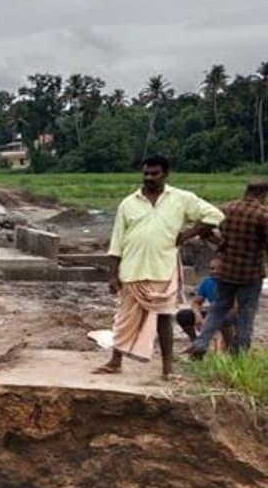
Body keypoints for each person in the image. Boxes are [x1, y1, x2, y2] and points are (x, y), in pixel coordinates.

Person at [94, 154, 224, 379]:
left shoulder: (181, 199)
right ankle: (115, 361)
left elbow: (215, 215)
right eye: (145, 173)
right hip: (132, 271)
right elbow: (116, 243)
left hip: (163, 270)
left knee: (164, 319)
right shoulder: (128, 203)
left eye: (154, 173)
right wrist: (113, 275)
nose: (149, 177)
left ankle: (167, 369)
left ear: (165, 174)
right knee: (123, 319)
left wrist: (186, 235)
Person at [189, 179, 268, 358]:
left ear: (246, 191)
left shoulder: (226, 209)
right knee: (246, 316)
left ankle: (200, 345)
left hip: (226, 270)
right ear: (263, 195)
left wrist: (221, 244)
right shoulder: (263, 215)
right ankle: (238, 355)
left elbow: (204, 229)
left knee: (217, 308)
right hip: (251, 273)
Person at [176, 274, 232, 352]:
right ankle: (197, 344)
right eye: (212, 269)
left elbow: (235, 307)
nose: (214, 272)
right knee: (183, 315)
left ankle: (227, 346)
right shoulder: (207, 281)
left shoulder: (232, 283)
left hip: (229, 314)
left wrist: (213, 320)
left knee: (226, 318)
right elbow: (196, 303)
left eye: (217, 269)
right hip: (213, 312)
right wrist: (198, 316)